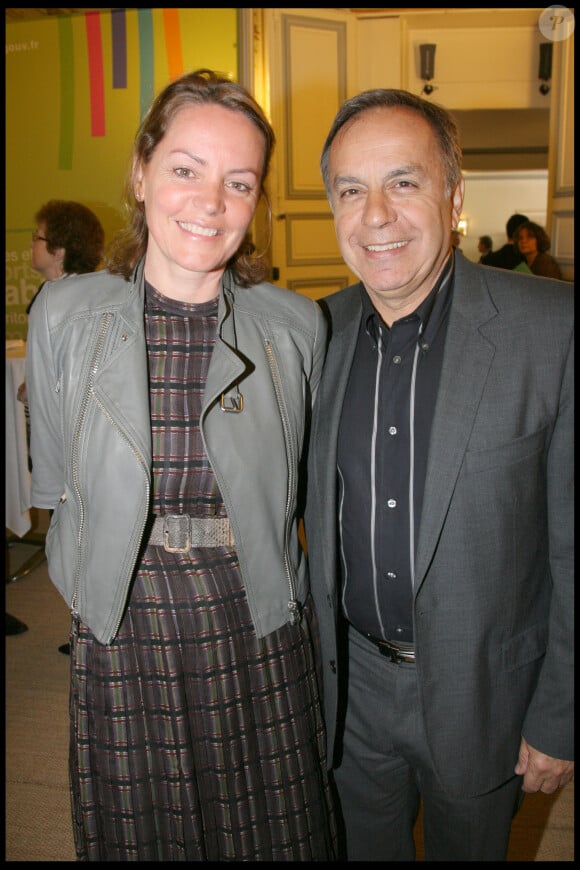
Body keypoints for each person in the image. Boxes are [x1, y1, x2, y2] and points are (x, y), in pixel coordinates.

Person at [26, 69, 337, 861]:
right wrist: (95, 595)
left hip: (255, 618)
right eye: (185, 169)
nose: (211, 202)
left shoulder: (297, 328)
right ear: (141, 172)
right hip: (123, 622)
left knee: (270, 835)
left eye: (239, 182)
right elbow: (58, 483)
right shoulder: (63, 315)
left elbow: (300, 489)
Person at [304, 87, 574, 861]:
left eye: (404, 182)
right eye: (351, 190)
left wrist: (560, 717)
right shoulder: (312, 334)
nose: (376, 214)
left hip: (484, 693)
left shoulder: (553, 331)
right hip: (349, 689)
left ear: (454, 197)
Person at [18, 199, 105, 657]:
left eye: (37, 237)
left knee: (72, 542)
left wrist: (48, 481)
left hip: (71, 448)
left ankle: (89, 630)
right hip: (103, 446)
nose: (31, 245)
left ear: (58, 249)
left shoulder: (52, 299)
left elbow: (53, 398)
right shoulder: (109, 286)